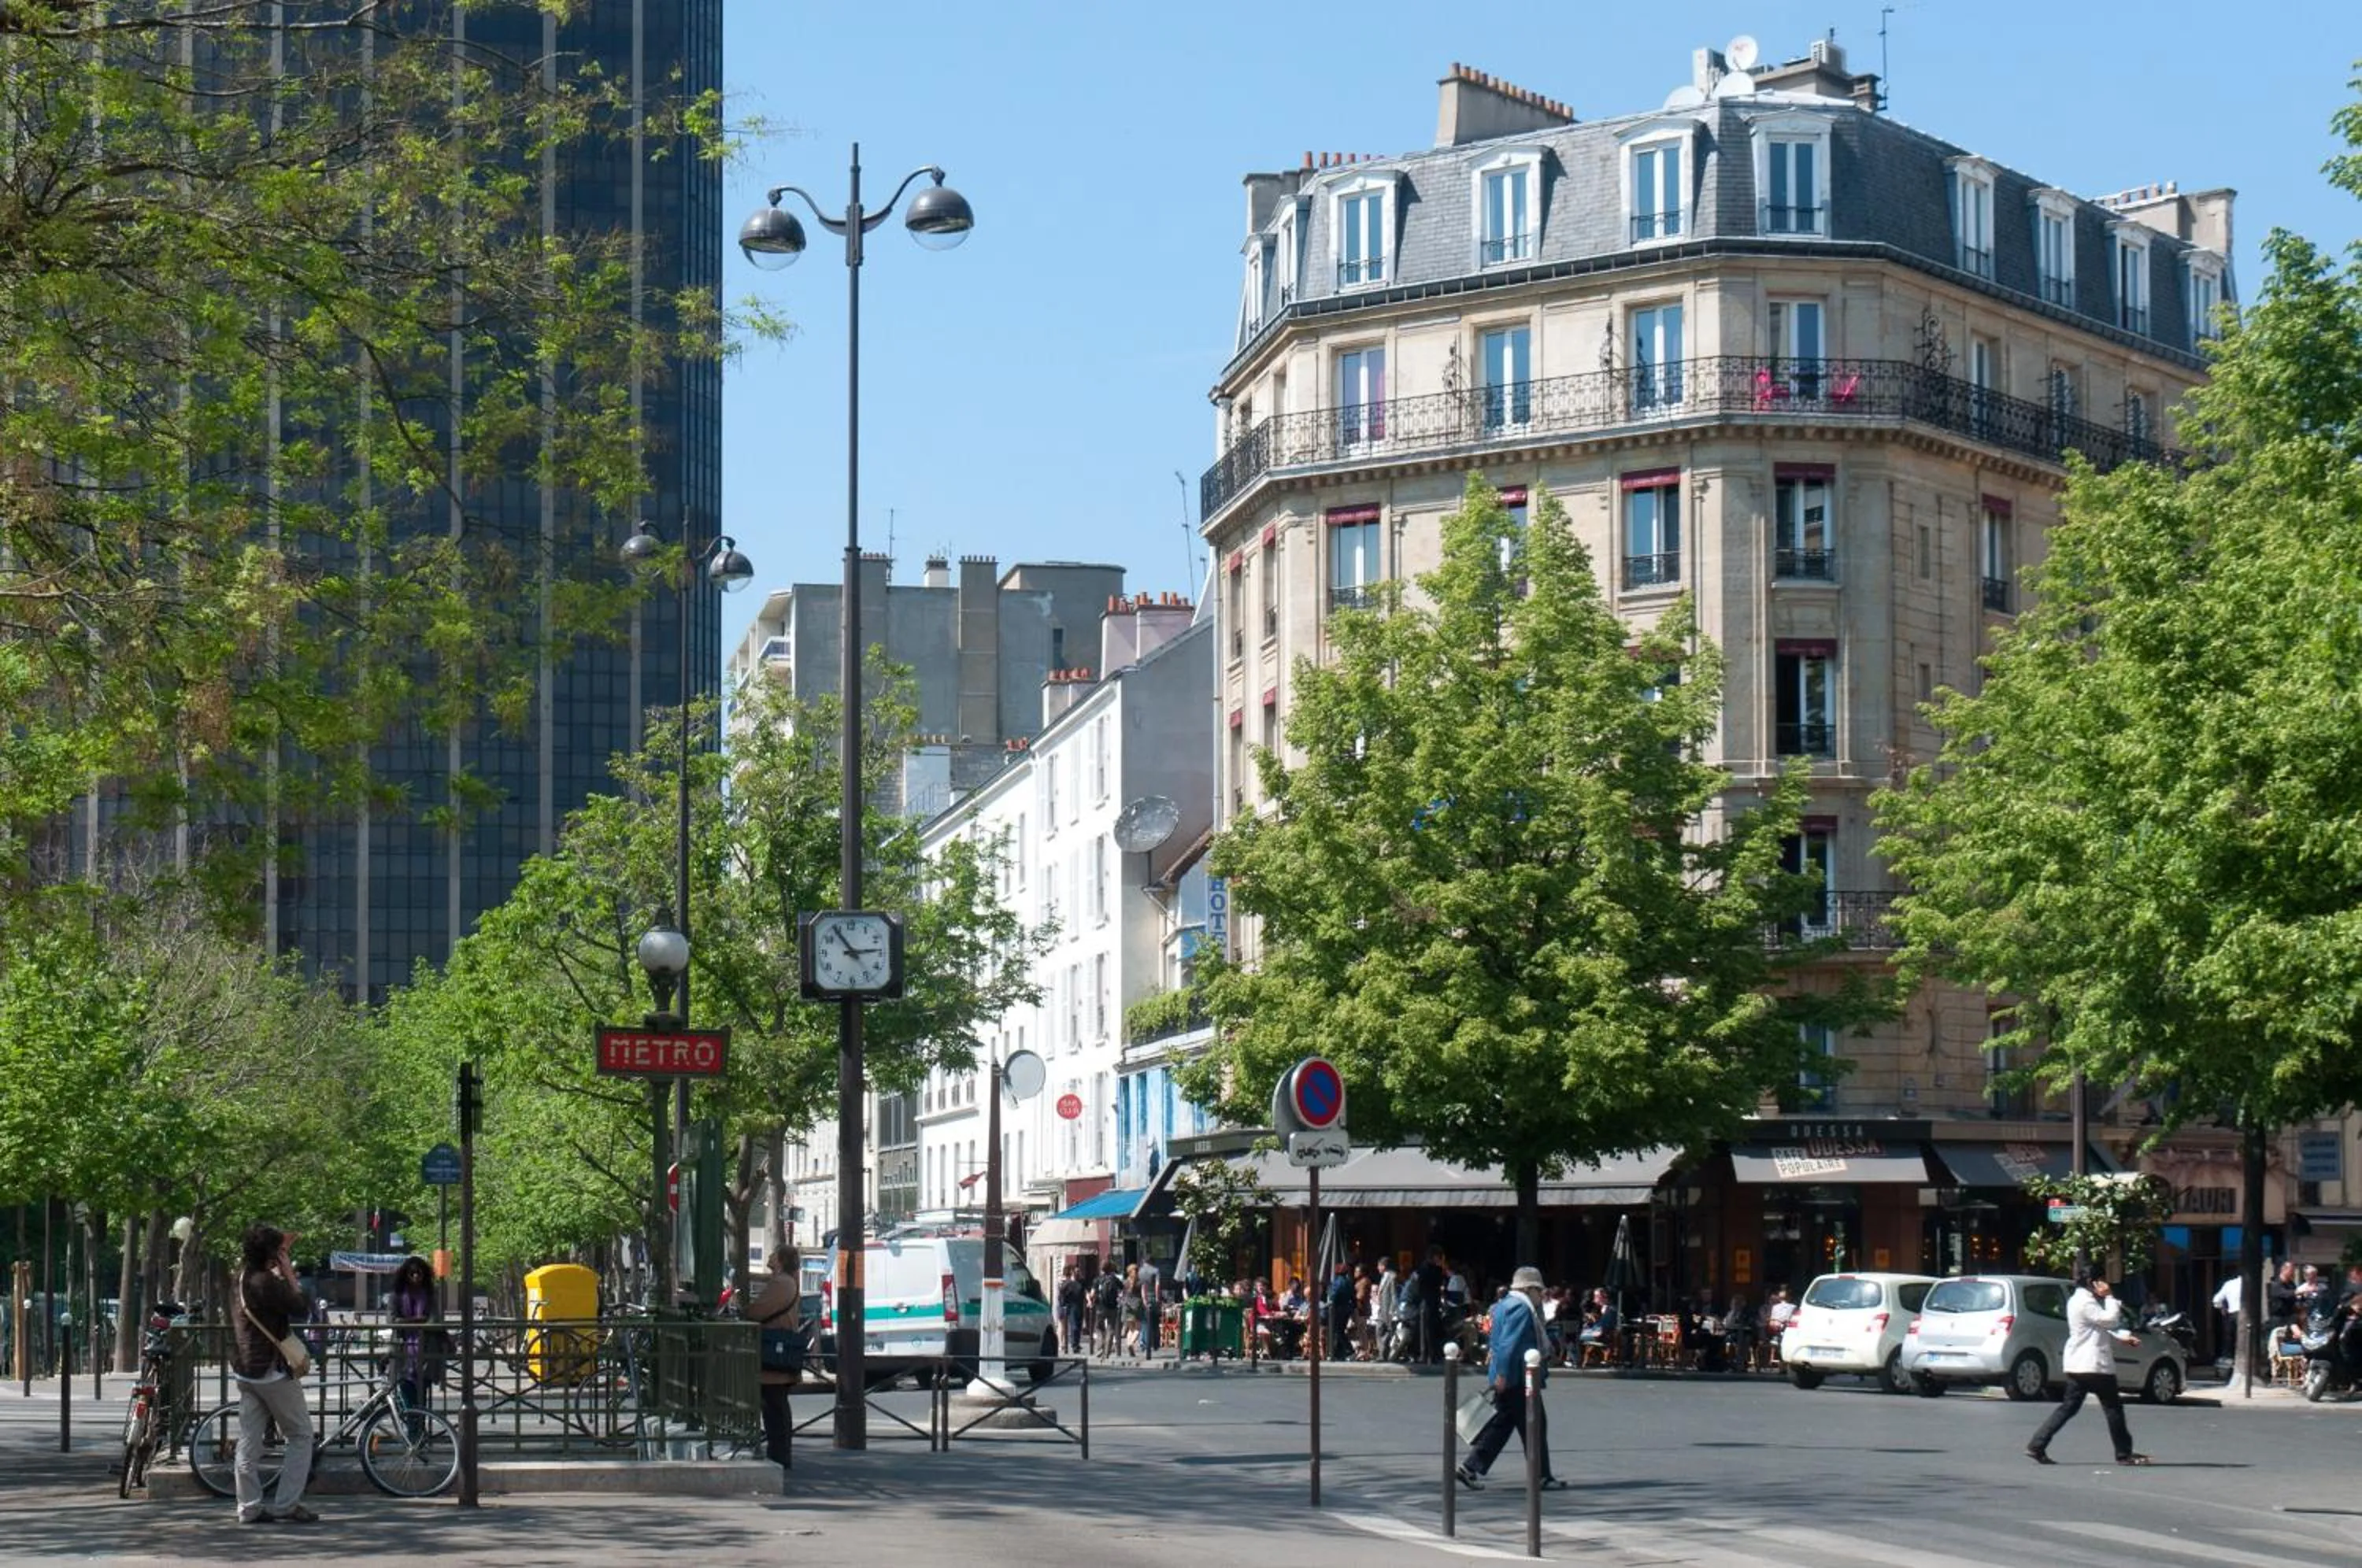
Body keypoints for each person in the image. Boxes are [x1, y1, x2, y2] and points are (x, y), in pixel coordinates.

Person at [229, 1223, 318, 1525]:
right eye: (279, 1250)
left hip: (246, 1369)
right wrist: (290, 1272)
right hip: (271, 1371)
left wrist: (280, 1258)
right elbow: (300, 1307)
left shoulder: (242, 1278)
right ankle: (287, 1504)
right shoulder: (266, 1282)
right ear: (271, 1254)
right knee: (300, 1434)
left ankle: (249, 1507)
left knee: (249, 1440)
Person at [1455, 1266, 1567, 1492]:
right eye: (1538, 1290)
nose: (1540, 1295)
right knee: (1534, 1425)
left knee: (1503, 1424)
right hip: (1517, 1376)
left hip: (1510, 1376)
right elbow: (1509, 1345)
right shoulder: (1521, 1309)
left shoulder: (1503, 1305)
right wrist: (1504, 1375)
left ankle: (1470, 1467)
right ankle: (1541, 1476)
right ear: (1527, 1289)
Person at [2026, 1274, 2149, 1466]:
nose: (2106, 1285)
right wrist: (2109, 1297)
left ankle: (2037, 1444)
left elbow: (2097, 1326)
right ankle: (2124, 1454)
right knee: (2113, 1408)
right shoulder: (2085, 1302)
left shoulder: (2080, 1300)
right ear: (2093, 1283)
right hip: (2094, 1365)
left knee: (2069, 1407)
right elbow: (2108, 1319)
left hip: (2079, 1364)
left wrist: (2123, 1337)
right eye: (2102, 1281)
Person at [745, 1252, 802, 1485]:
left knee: (774, 1407)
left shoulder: (781, 1283)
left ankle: (779, 1455)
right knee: (777, 1407)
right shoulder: (789, 1281)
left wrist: (745, 1312)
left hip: (773, 1351)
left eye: (774, 1255)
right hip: (780, 1349)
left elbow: (760, 1310)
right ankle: (781, 1453)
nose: (769, 1258)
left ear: (781, 1260)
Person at [387, 1256, 444, 1410]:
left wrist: (405, 1321)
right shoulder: (396, 1295)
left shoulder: (431, 1294)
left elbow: (434, 1321)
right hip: (402, 1351)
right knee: (406, 1393)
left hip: (425, 1353)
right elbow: (392, 1321)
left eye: (419, 1273)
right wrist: (419, 1320)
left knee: (421, 1399)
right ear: (405, 1275)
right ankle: (413, 1431)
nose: (416, 1276)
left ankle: (418, 1431)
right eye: (412, 1273)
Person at [1414, 1247, 1446, 1363]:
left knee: (1427, 1329)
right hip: (1430, 1301)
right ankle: (1430, 1355)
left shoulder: (1423, 1269)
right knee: (1429, 1329)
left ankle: (1427, 1354)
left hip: (1427, 1301)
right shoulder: (1433, 1269)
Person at [1057, 1262, 1086, 1363]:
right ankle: (1073, 1345)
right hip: (1071, 1306)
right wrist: (1063, 1304)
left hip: (1080, 1305)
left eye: (1078, 1271)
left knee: (1079, 1325)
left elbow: (1085, 1290)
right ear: (1072, 1272)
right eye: (1076, 1271)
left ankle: (1076, 1344)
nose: (1077, 1272)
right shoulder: (1067, 1283)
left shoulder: (1081, 1281)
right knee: (1074, 1326)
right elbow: (1062, 1294)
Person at [1091, 1262, 1123, 1357]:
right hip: (1113, 1307)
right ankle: (1107, 1352)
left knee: (1098, 1327)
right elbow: (1122, 1289)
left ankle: (1101, 1346)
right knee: (1111, 1328)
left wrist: (1092, 1300)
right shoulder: (1115, 1279)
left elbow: (1092, 1294)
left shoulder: (1097, 1280)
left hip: (1100, 1307)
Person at [1326, 1261, 1354, 1363]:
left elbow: (1333, 1295)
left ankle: (1349, 1350)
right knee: (1340, 1330)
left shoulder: (1338, 1282)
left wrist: (1329, 1290)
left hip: (1338, 1308)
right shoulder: (1348, 1282)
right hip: (1347, 1308)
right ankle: (1339, 1353)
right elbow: (1353, 1296)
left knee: (1338, 1330)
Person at [1137, 1255, 1164, 1357]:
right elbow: (1157, 1285)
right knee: (1155, 1322)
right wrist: (1158, 1298)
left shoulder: (1141, 1271)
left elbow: (1142, 1287)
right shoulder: (1156, 1271)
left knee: (1145, 1322)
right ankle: (1155, 1343)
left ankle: (1144, 1344)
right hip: (1153, 1298)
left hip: (1144, 1299)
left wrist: (1144, 1299)